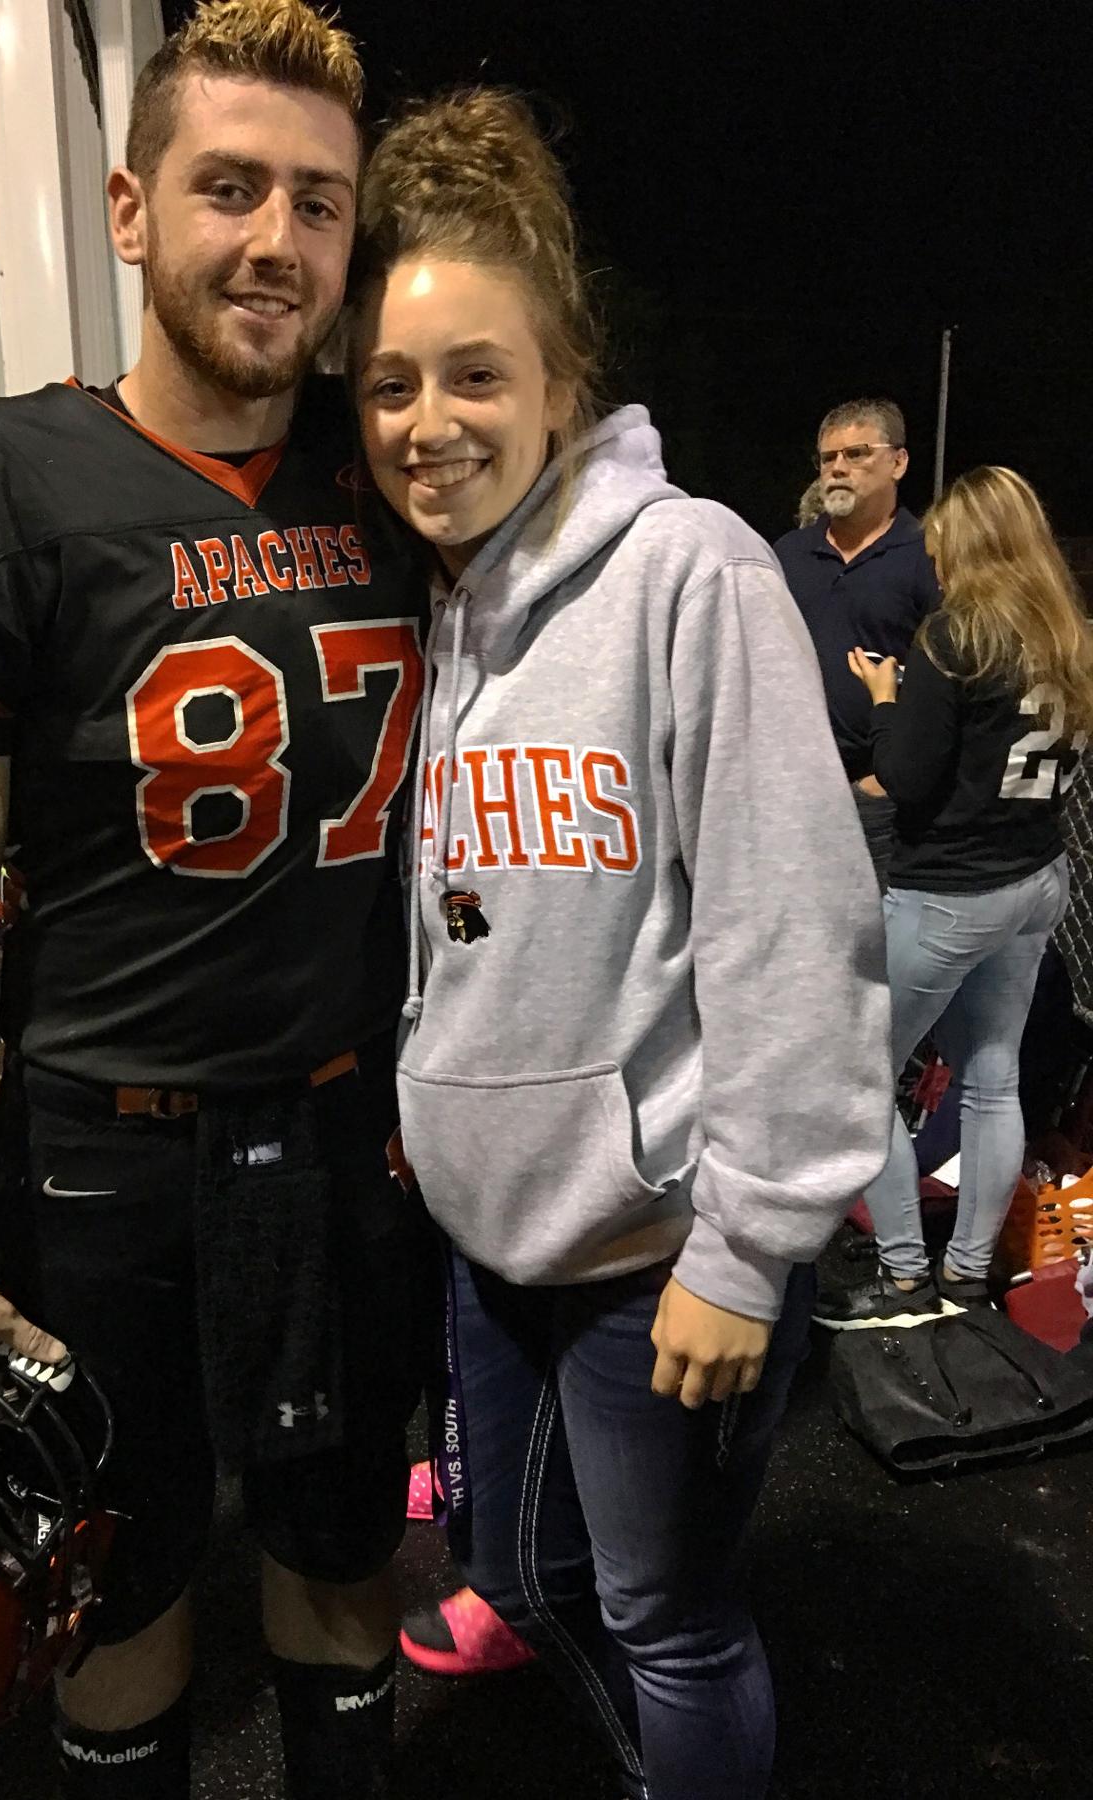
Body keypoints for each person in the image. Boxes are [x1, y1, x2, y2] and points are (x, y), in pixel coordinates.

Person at [0, 5, 430, 1797]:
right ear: (129, 211)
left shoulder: (397, 471)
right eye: (231, 188)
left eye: (317, 202)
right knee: (115, 1588)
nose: (276, 239)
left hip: (348, 1135)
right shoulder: (1, 490)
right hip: (105, 1156)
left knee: (339, 1561)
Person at [350, 90, 889, 1800]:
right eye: (390, 384)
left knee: (673, 1619)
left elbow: (794, 927)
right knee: (523, 1576)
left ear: (564, 379)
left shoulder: (690, 572)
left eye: (474, 374)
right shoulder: (443, 601)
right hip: (492, 1239)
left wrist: (751, 1246)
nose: (428, 422)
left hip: (654, 1246)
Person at [814, 467, 1090, 1327]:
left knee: (861, 1079)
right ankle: (967, 1274)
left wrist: (886, 700)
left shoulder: (955, 638)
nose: (932, 559)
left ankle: (904, 1277)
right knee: (993, 1077)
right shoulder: (1064, 633)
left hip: (949, 895)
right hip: (1035, 877)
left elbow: (902, 777)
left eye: (940, 546)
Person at [774, 398, 941, 888]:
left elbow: (944, 685)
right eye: (828, 458)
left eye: (857, 454)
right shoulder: (788, 554)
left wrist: (882, 779)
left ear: (898, 462)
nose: (838, 469)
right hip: (790, 784)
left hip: (876, 793)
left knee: (875, 927)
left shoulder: (928, 556)